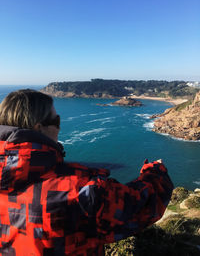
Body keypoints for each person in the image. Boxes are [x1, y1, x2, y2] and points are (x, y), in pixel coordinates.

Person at [0, 89, 174, 256]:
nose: (60, 127)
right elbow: (142, 208)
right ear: (38, 129)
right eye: (57, 120)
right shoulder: (78, 189)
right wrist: (155, 173)